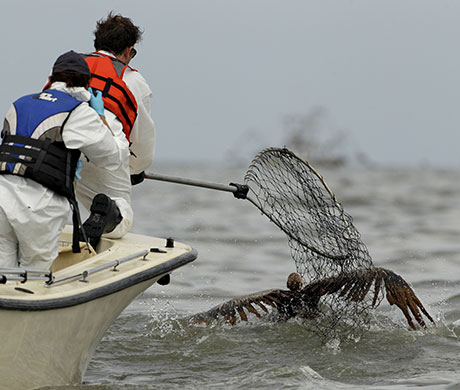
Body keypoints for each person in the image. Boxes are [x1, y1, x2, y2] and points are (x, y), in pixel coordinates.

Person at [0, 50, 124, 270]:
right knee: (33, 279)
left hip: (1, 197)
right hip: (39, 208)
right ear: (86, 84)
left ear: (51, 78)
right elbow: (112, 158)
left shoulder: (18, 104)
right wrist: (100, 115)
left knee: (4, 278)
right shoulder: (79, 111)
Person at [75, 12, 156, 248]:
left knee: (66, 199)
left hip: (61, 149)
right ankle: (111, 214)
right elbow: (142, 144)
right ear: (129, 50)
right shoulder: (133, 80)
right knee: (119, 212)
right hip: (103, 149)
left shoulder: (71, 68)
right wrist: (134, 170)